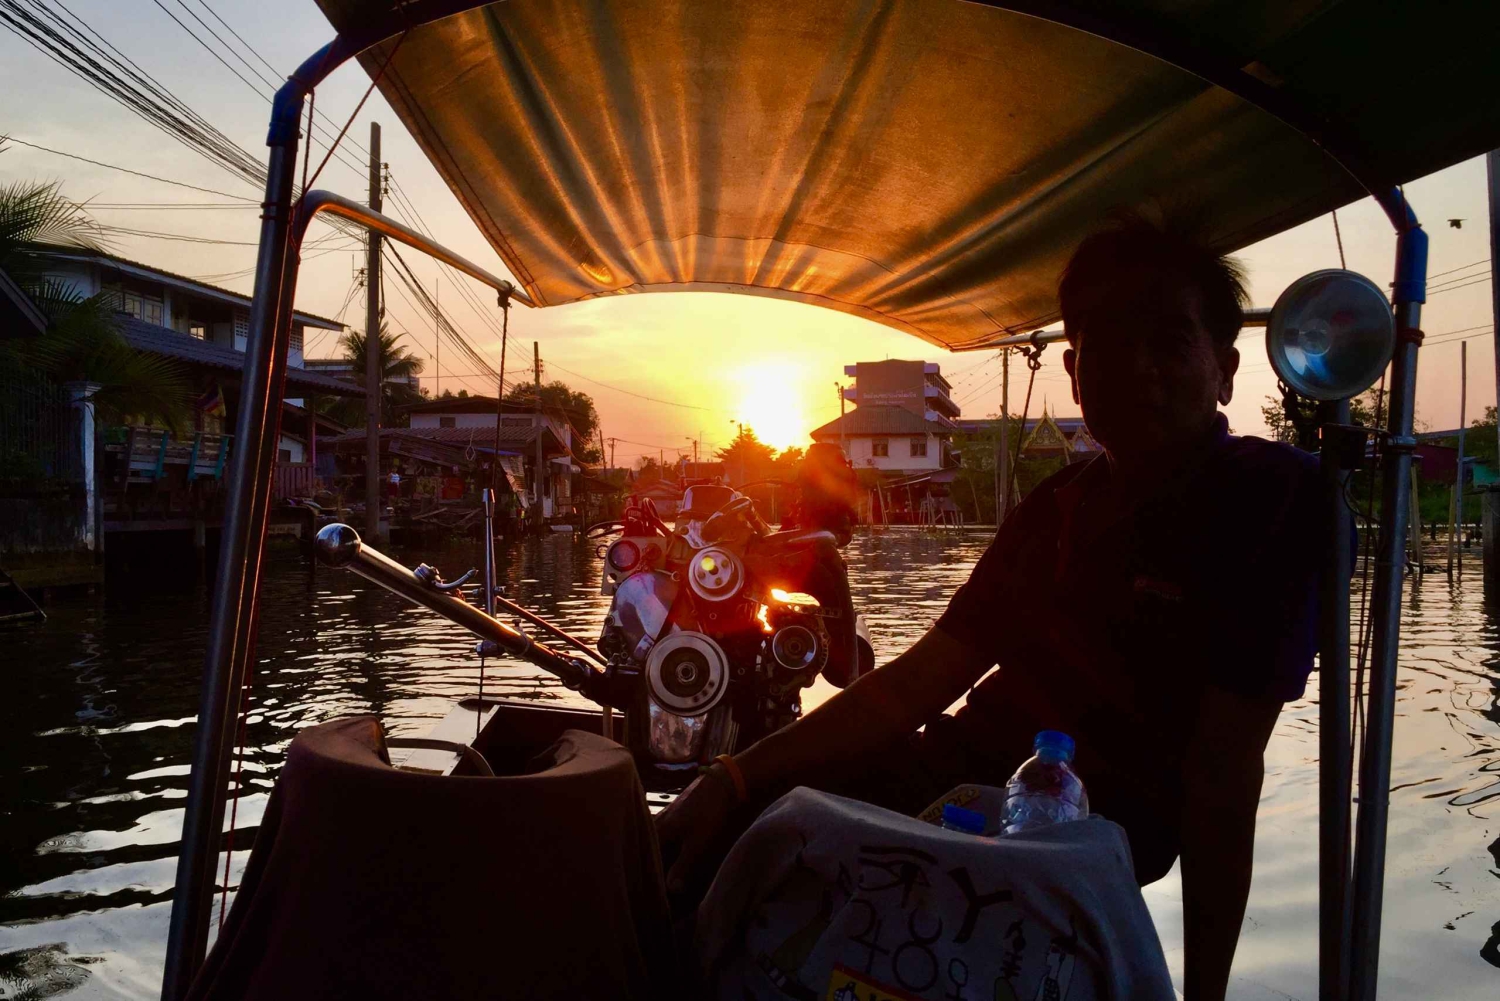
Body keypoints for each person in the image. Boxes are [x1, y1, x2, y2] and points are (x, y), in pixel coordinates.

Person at [657, 218, 1322, 1001]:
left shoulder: (1272, 497)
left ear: (1224, 370)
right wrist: (730, 778)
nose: (1136, 370)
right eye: (1106, 346)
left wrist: (1204, 992)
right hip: (953, 782)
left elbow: (1221, 771)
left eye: (1170, 341)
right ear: (1075, 374)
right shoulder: (1056, 508)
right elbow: (916, 684)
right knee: (708, 847)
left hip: (1070, 845)